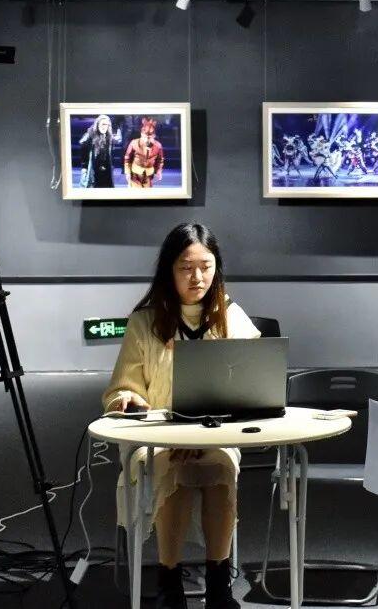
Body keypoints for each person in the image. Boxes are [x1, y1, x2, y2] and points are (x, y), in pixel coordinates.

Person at [103, 223, 260, 609]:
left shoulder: (232, 317)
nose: (197, 277)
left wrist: (204, 436)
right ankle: (169, 583)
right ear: (169, 271)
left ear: (217, 268)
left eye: (206, 267)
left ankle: (219, 587)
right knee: (173, 470)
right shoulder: (145, 322)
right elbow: (121, 389)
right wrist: (127, 400)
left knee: (219, 469)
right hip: (157, 439)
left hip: (217, 436)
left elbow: (250, 392)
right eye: (186, 268)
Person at [78, 114, 120, 188]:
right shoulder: (90, 136)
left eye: (107, 125)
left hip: (106, 170)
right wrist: (84, 167)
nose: (104, 127)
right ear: (97, 124)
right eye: (103, 124)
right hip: (93, 170)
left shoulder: (109, 137)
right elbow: (84, 152)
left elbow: (110, 154)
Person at [123, 117, 165, 188]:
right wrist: (127, 172)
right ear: (141, 134)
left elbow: (160, 160)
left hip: (148, 175)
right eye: (145, 136)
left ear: (154, 136)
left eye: (150, 136)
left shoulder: (158, 146)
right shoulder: (134, 143)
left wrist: (159, 171)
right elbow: (127, 158)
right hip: (135, 174)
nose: (147, 139)